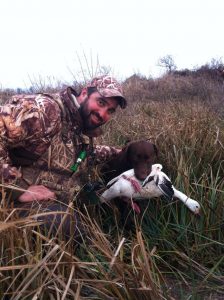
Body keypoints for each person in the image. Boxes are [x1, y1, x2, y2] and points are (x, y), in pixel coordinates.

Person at [0, 75, 127, 238]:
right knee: (70, 227)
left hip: (56, 201)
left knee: (107, 200)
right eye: (101, 102)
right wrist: (16, 188)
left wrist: (120, 152)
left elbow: (83, 155)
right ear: (84, 93)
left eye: (110, 110)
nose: (103, 114)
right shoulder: (45, 110)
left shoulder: (77, 125)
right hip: (12, 204)